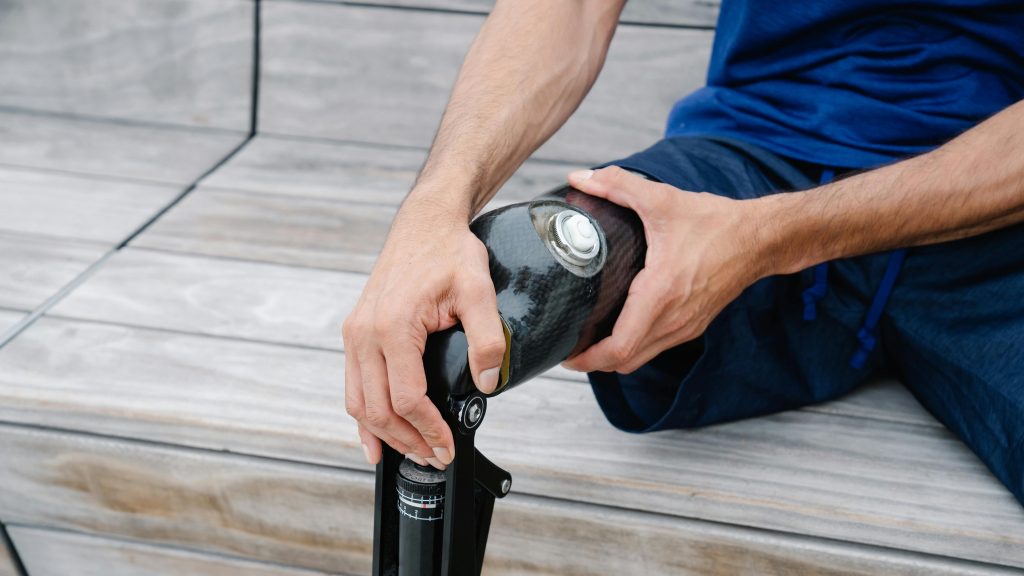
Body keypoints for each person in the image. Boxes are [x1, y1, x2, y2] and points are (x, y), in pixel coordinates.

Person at [342, 0, 1024, 506]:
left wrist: (771, 238)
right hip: (754, 154)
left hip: (986, 193)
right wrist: (435, 207)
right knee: (502, 296)